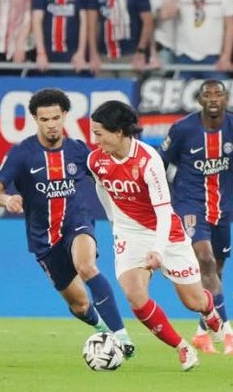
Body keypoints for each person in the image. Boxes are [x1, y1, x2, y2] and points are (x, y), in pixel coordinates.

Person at [0, 89, 135, 355]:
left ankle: (122, 338)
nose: (51, 124)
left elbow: (108, 178)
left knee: (87, 266)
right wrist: (7, 200)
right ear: (35, 119)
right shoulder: (21, 154)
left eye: (56, 118)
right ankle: (103, 330)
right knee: (80, 306)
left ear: (65, 115)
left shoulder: (78, 151)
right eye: (44, 119)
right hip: (44, 239)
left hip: (77, 222)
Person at [88, 100, 224, 371]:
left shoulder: (149, 160)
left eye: (99, 133)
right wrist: (114, 221)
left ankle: (209, 309)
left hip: (166, 233)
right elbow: (102, 188)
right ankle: (182, 348)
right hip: (129, 232)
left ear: (118, 132)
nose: (96, 140)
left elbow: (163, 211)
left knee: (193, 301)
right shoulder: (96, 161)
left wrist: (159, 250)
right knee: (135, 296)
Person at [160, 79, 233, 355]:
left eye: (217, 94)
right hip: (190, 206)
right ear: (199, 100)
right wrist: (159, 200)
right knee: (205, 260)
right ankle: (226, 331)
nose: (212, 98)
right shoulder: (183, 129)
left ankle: (201, 332)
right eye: (207, 94)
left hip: (221, 209)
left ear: (226, 99)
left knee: (215, 272)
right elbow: (159, 163)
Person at [87, 0, 154, 77]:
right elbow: (91, 26)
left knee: (129, 84)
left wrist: (140, 51)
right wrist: (93, 54)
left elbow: (148, 22)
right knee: (103, 85)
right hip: (104, 56)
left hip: (130, 56)